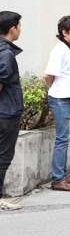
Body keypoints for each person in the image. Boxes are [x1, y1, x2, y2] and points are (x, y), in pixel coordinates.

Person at [43, 15, 70, 191]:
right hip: (61, 101)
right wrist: (57, 91)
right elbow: (48, 76)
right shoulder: (59, 50)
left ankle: (63, 173)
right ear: (64, 32)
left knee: (66, 139)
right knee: (62, 140)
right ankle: (58, 179)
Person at [0, 11, 23, 210]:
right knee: (3, 157)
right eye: (19, 26)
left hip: (5, 112)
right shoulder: (6, 54)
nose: (20, 30)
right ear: (12, 28)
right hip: (6, 114)